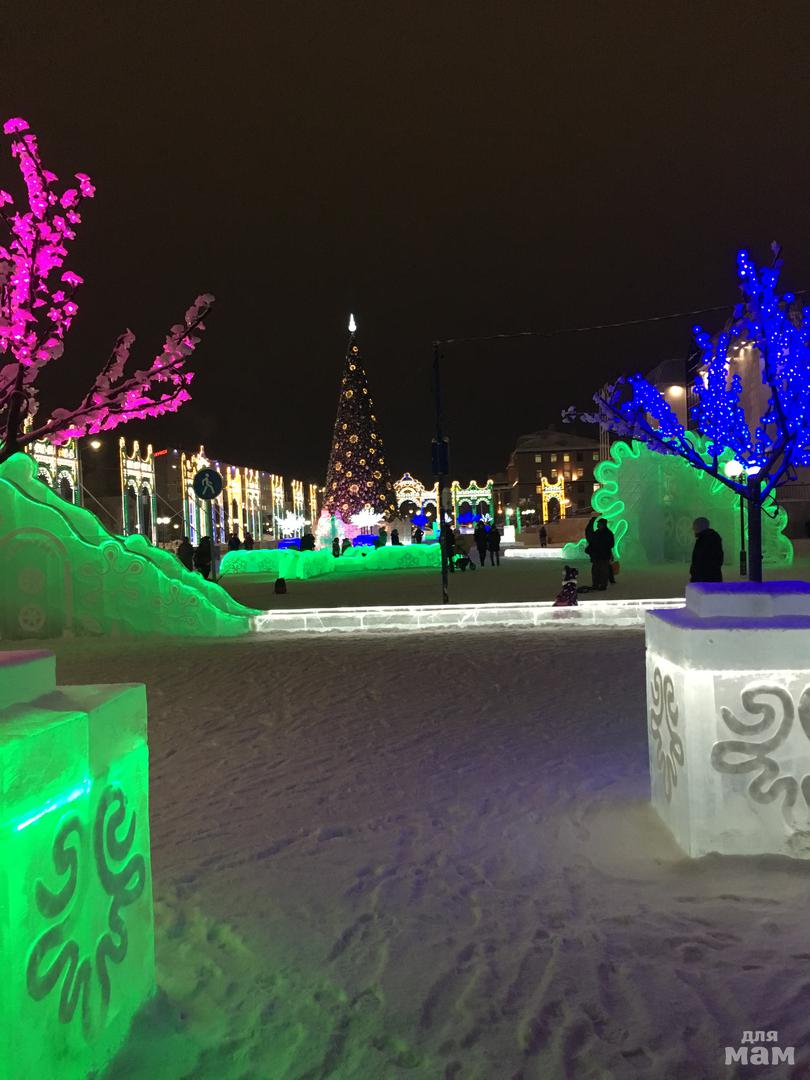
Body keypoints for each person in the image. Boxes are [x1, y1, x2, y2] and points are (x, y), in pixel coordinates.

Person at [585, 515, 614, 590]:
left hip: (603, 556)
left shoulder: (607, 533)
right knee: (596, 571)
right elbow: (590, 538)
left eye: (599, 523)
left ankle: (602, 585)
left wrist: (602, 547)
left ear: (603, 524)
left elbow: (611, 544)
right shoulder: (598, 532)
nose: (598, 525)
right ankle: (596, 584)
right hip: (598, 555)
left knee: (603, 571)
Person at [690, 517, 724, 582]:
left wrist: (695, 574)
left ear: (700, 527)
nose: (693, 529)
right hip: (712, 577)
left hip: (703, 578)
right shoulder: (712, 538)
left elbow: (698, 559)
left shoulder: (703, 540)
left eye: (695, 527)